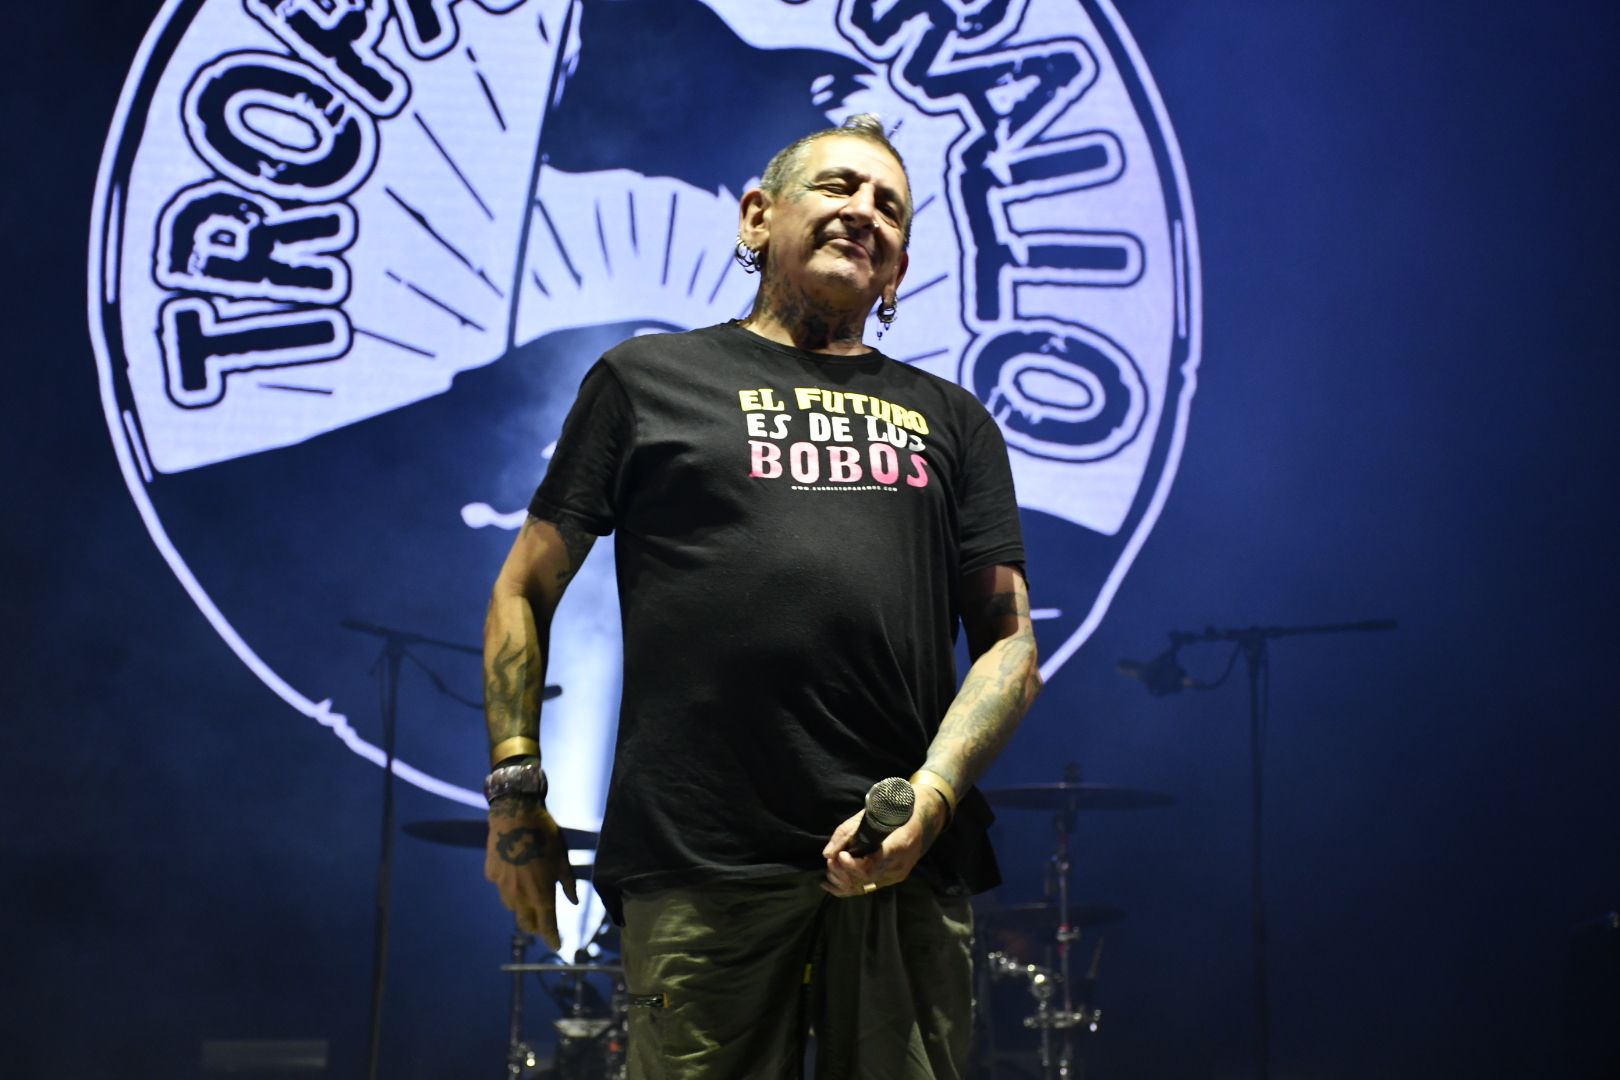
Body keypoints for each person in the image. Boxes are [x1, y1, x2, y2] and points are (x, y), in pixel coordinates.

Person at [480, 114, 1041, 1079]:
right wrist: (516, 792)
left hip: (899, 859)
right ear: (756, 216)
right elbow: (523, 586)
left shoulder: (954, 420)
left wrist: (934, 800)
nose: (864, 213)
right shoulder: (646, 380)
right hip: (698, 860)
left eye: (889, 208)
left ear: (899, 270)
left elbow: (1010, 646)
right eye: (838, 187)